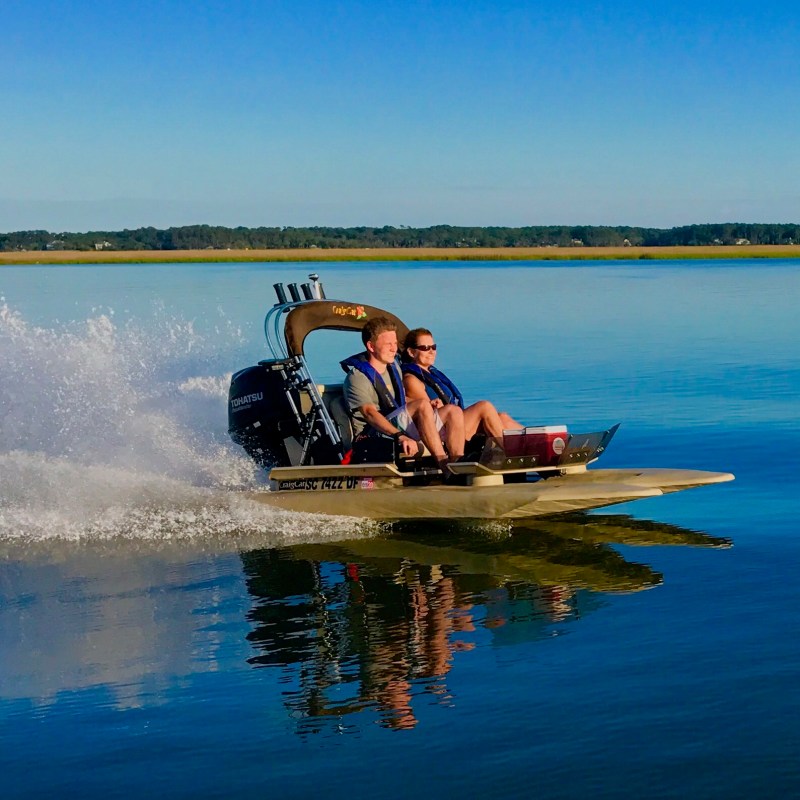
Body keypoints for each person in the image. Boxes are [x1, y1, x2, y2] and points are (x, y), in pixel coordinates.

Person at [342, 317, 466, 468]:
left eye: (395, 343)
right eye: (388, 344)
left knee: (453, 411)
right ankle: (442, 464)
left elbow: (396, 401)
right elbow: (369, 413)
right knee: (421, 405)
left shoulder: (394, 367)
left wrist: (428, 404)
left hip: (396, 422)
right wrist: (399, 436)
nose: (394, 349)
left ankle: (457, 465)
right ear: (371, 346)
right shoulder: (357, 377)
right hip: (374, 434)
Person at [401, 327, 523, 442]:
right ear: (411, 352)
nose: (431, 352)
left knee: (502, 417)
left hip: (455, 420)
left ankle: (537, 446)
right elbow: (426, 417)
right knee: (484, 407)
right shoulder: (411, 379)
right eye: (425, 348)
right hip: (444, 429)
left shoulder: (431, 373)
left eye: (433, 347)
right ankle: (509, 453)